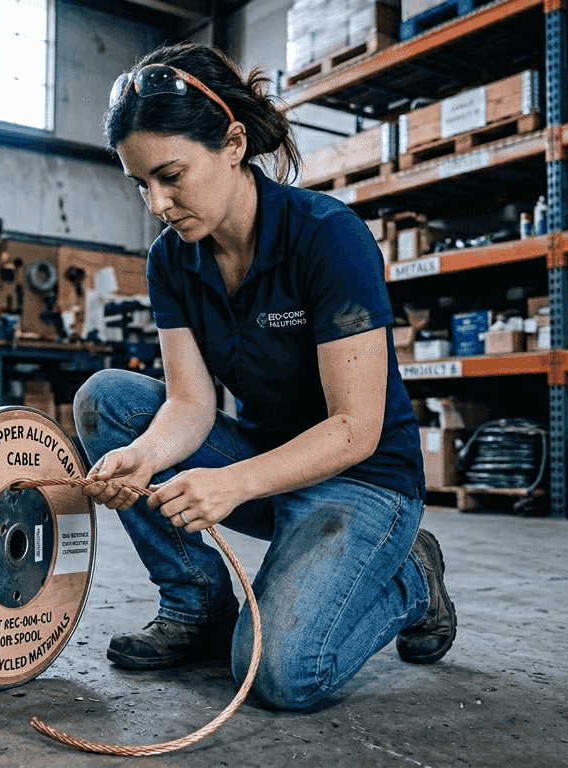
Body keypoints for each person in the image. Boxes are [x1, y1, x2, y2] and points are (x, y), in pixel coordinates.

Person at [71, 42, 456, 711]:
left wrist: (232, 482)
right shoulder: (173, 261)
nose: (157, 203)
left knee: (279, 672)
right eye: (140, 184)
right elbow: (191, 406)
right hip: (269, 463)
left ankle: (412, 578)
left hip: (363, 481)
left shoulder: (326, 236)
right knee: (108, 404)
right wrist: (141, 457)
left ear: (232, 143)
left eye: (171, 175)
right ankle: (196, 604)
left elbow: (356, 429)